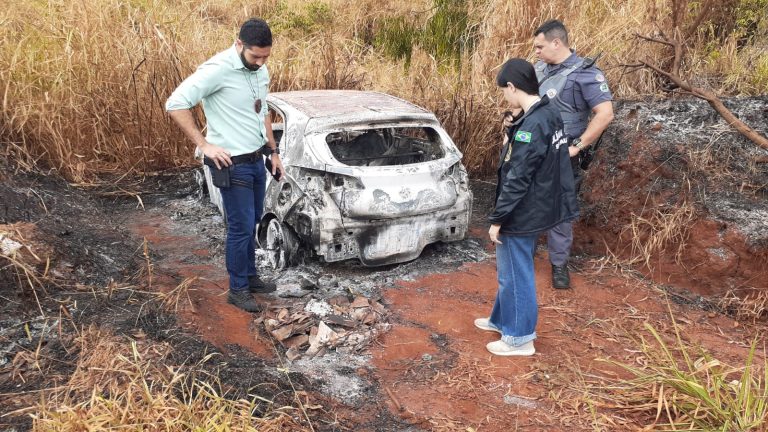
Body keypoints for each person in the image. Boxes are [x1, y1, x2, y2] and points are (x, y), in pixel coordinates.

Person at [166, 18, 284, 313]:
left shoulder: (260, 70)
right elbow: (175, 103)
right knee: (240, 227)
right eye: (255, 56)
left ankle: (251, 277)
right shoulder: (217, 70)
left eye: (266, 56)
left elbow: (263, 110)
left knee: (253, 220)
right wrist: (204, 144)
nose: (260, 62)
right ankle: (238, 289)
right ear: (239, 44)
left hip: (256, 159)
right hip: (231, 163)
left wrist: (274, 152)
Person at [475, 58, 578, 356]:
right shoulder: (548, 112)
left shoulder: (532, 124)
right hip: (540, 204)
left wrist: (498, 218)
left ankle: (520, 339)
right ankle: (502, 319)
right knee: (511, 269)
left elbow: (518, 177)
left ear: (512, 86)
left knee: (515, 273)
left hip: (523, 209)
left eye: (503, 91)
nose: (504, 97)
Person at [533, 19, 614, 289]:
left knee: (560, 209)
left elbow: (605, 114)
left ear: (557, 43)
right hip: (533, 148)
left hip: (564, 152)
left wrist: (577, 146)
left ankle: (558, 264)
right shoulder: (538, 69)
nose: (536, 51)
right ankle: (525, 250)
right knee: (527, 200)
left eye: (540, 46)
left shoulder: (586, 74)